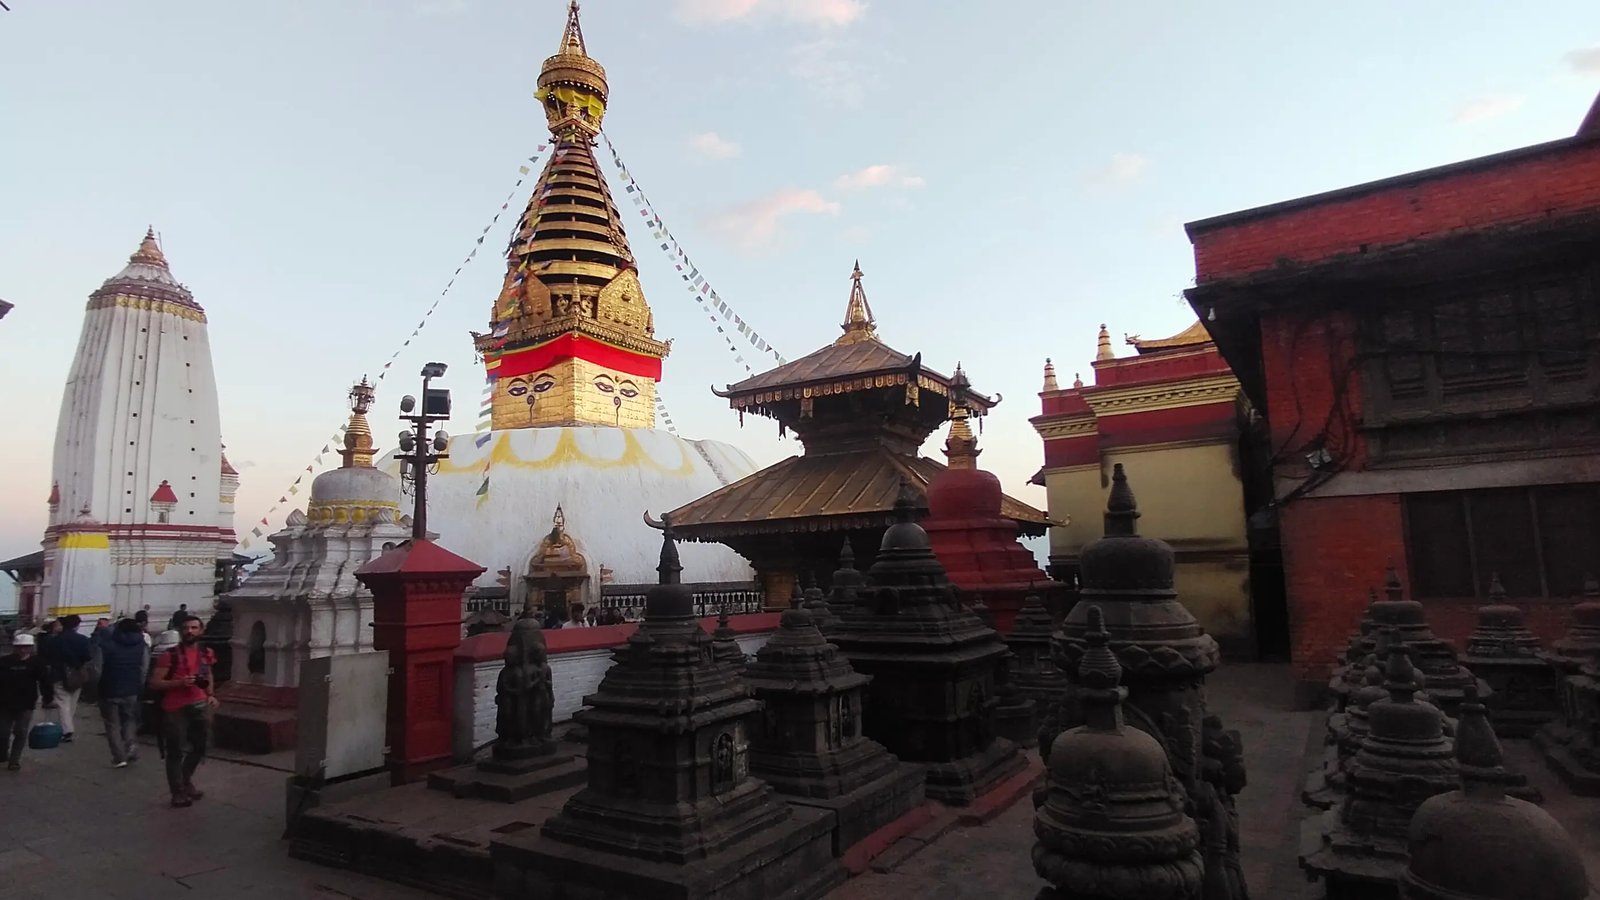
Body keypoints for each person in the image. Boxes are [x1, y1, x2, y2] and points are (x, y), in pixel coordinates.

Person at [147, 615, 216, 808]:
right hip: (175, 707)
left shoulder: (206, 652)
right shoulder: (169, 655)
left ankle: (185, 780)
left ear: (201, 631)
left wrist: (210, 694)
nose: (190, 631)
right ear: (181, 631)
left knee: (201, 747)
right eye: (186, 628)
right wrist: (178, 683)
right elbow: (154, 682)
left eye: (194, 628)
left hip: (200, 704)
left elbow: (208, 673)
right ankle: (177, 792)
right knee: (176, 750)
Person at [98, 618, 149, 768]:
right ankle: (131, 744)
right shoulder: (142, 646)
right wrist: (138, 684)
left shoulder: (106, 645)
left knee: (111, 723)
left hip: (108, 689)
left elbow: (97, 669)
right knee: (129, 719)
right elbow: (144, 669)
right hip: (131, 689)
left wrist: (97, 684)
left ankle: (118, 756)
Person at [0, 633, 54, 771]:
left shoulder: (37, 663)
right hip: (5, 702)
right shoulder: (5, 662)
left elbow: (45, 682)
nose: (23, 650)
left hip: (27, 702)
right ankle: (2, 752)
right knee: (3, 732)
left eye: (26, 647)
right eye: (20, 647)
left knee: (21, 731)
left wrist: (48, 699)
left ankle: (14, 760)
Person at [42, 614, 91, 743]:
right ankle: (68, 726)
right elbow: (87, 656)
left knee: (63, 702)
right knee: (73, 702)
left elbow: (48, 657)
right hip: (77, 674)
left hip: (59, 674)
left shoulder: (55, 640)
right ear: (76, 625)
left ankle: (67, 729)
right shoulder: (83, 640)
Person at [145, 630, 180, 761]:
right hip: (172, 691)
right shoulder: (175, 655)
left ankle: (163, 748)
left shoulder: (156, 653)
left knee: (161, 718)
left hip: (158, 692)